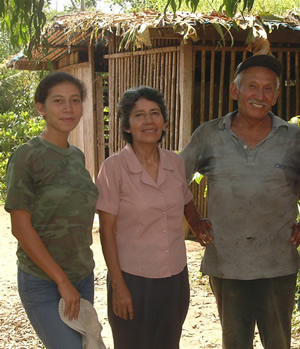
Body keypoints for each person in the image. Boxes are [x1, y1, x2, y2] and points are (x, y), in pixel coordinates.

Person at [180, 53, 300, 349]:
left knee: (278, 341)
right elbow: (174, 180)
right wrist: (193, 219)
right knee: (234, 342)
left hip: (278, 261)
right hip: (228, 263)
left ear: (275, 95)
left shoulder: (293, 137)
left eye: (268, 88)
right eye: (252, 86)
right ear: (235, 91)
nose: (260, 95)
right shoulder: (209, 135)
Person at [95, 86, 212, 349]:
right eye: (139, 115)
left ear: (164, 122)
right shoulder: (114, 168)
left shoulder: (175, 163)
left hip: (174, 278)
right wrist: (119, 286)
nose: (149, 121)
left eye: (155, 113)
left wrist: (197, 222)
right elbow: (107, 232)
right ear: (127, 126)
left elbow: (185, 200)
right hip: (132, 279)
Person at [5, 72, 99, 349]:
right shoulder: (27, 156)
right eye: (58, 101)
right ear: (41, 107)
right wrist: (61, 281)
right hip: (43, 280)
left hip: (82, 276)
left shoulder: (76, 156)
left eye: (74, 100)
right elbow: (20, 227)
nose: (68, 108)